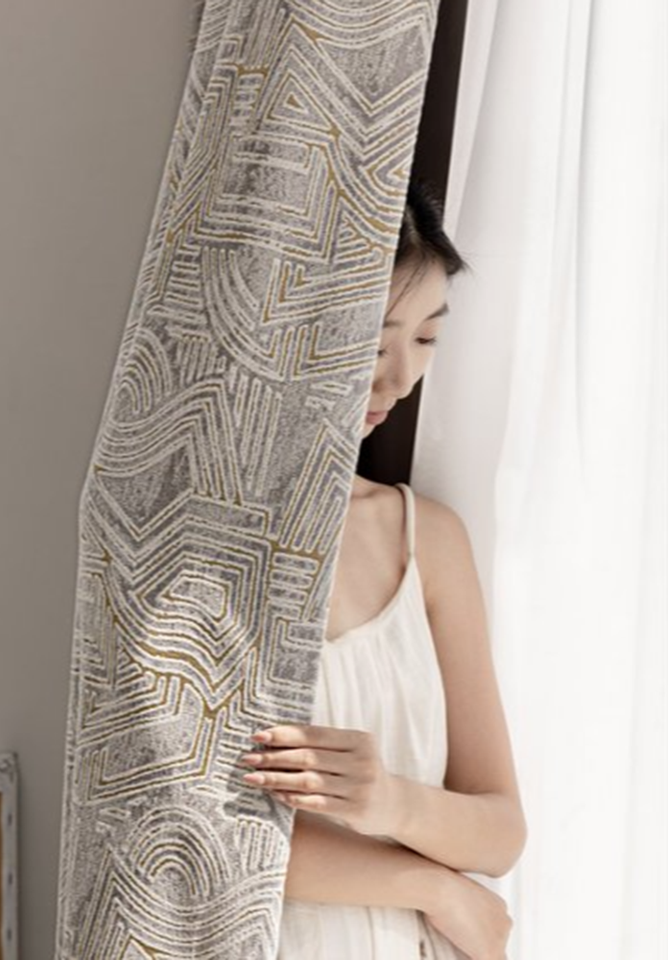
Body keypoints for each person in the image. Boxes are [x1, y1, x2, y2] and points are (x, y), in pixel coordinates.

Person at [239, 180, 527, 960]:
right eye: (373, 342)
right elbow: (194, 821)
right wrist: (437, 888)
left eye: (427, 338)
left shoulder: (427, 538)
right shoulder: (199, 543)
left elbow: (501, 830)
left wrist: (388, 801)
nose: (399, 378)